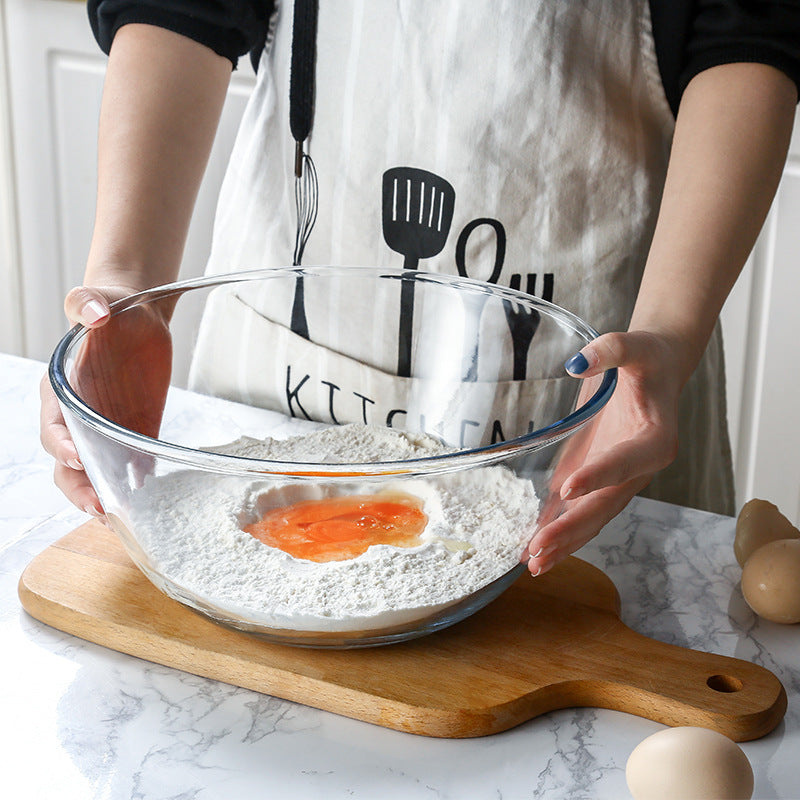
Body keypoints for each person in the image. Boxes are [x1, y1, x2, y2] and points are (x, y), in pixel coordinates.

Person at [40, 1, 800, 578]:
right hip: (278, 368)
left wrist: (668, 331)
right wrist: (126, 287)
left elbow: (752, 33)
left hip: (595, 400)